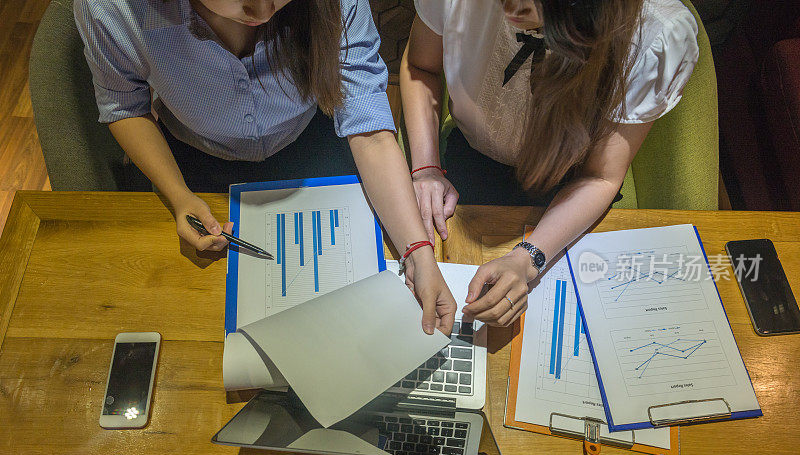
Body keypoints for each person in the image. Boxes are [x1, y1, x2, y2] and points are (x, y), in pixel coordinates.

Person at [75, 0, 456, 334]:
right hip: (195, 162)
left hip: (313, 142)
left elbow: (369, 129)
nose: (261, 12)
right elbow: (126, 106)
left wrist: (419, 253)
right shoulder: (112, 8)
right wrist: (178, 196)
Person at [400, 0, 699, 328]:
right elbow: (420, 66)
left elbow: (600, 176)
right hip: (471, 157)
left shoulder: (651, 29)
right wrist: (426, 167)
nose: (511, 7)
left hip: (572, 187)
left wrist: (528, 259)